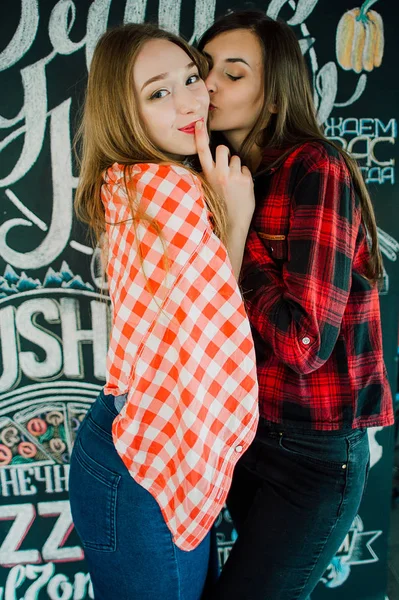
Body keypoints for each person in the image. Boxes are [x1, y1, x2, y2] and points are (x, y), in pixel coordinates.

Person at [197, 10, 394, 600]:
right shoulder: (209, 171)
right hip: (238, 439)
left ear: (275, 95)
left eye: (233, 75)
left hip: (311, 456)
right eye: (202, 69)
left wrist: (237, 230)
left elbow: (306, 345)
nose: (209, 86)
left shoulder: (315, 167)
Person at [68, 23, 259, 600]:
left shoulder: (126, 181)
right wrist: (237, 214)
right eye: (158, 92)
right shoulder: (161, 188)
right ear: (124, 114)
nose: (188, 102)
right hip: (144, 457)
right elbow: (213, 333)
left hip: (129, 443)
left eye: (192, 78)